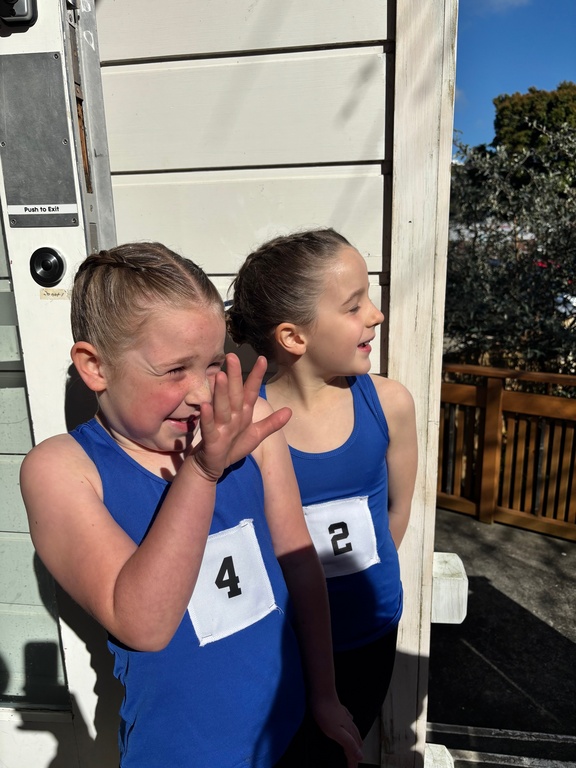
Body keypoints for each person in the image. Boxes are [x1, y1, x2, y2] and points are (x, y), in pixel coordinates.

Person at [20, 242, 362, 768]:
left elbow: (300, 564)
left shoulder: (253, 426)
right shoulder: (64, 470)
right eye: (176, 369)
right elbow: (143, 624)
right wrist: (202, 471)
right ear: (95, 366)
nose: (203, 393)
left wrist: (325, 694)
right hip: (181, 752)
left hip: (290, 728)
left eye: (213, 364)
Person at [228, 228, 418, 767]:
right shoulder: (245, 425)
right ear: (293, 337)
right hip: (283, 645)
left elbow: (397, 511)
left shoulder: (390, 403)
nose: (376, 315)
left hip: (369, 634)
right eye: (354, 306)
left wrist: (362, 590)